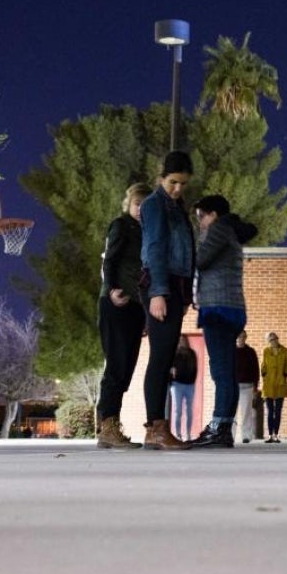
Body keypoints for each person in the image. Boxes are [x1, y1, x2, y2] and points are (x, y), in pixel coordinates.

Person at [189, 194, 258, 449]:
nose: (199, 222)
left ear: (214, 214)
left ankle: (219, 427)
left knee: (221, 372)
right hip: (232, 308)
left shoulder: (218, 230)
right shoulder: (230, 232)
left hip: (218, 309)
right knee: (227, 371)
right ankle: (223, 427)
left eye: (201, 216)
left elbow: (200, 260)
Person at [140, 150, 195, 450]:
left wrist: (185, 295)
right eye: (173, 182)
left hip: (175, 287)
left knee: (164, 357)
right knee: (160, 358)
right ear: (161, 178)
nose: (178, 189)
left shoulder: (177, 207)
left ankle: (158, 430)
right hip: (160, 284)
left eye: (183, 184)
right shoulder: (153, 205)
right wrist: (158, 292)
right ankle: (156, 428)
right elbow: (156, 248)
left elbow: (186, 252)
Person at [96, 182, 152, 450]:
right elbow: (110, 260)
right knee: (117, 365)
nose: (140, 209)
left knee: (127, 367)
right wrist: (111, 291)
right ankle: (107, 426)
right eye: (136, 204)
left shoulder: (148, 231)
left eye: (144, 204)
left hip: (135, 306)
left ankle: (111, 423)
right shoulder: (121, 225)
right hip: (116, 302)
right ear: (128, 204)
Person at [260, 332, 287, 443]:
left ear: (278, 339)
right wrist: (264, 375)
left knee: (277, 411)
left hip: (280, 384)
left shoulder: (285, 351)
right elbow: (263, 365)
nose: (273, 341)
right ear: (268, 341)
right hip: (268, 385)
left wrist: (284, 374)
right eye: (270, 340)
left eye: (274, 339)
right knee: (269, 411)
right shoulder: (266, 351)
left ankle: (276, 435)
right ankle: (269, 435)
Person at [233, 331, 261, 444]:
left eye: (244, 337)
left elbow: (256, 369)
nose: (241, 338)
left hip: (248, 386)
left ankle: (246, 435)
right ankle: (230, 435)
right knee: (232, 413)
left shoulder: (251, 352)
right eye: (239, 336)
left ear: (246, 338)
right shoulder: (231, 351)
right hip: (233, 386)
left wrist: (255, 385)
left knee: (246, 412)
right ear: (236, 338)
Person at [169, 336, 198, 441]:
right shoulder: (174, 353)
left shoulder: (192, 353)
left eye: (183, 340)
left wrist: (192, 381)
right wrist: (171, 380)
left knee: (189, 410)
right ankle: (178, 434)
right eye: (180, 340)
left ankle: (188, 433)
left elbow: (195, 368)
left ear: (186, 341)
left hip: (190, 385)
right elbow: (170, 368)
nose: (182, 342)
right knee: (178, 411)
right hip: (177, 385)